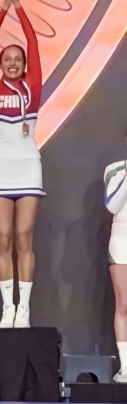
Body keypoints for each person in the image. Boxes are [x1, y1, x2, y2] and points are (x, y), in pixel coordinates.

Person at [0, 0, 43, 328]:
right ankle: (8, 307)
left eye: (18, 59)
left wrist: (21, 8)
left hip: (28, 166)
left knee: (24, 237)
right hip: (1, 166)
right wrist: (3, 7)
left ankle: (26, 308)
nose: (13, 63)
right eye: (8, 59)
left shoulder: (32, 86)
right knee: (3, 238)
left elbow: (34, 43)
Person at [104, 141, 127, 382]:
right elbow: (112, 205)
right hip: (122, 240)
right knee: (124, 304)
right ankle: (126, 365)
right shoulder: (115, 169)